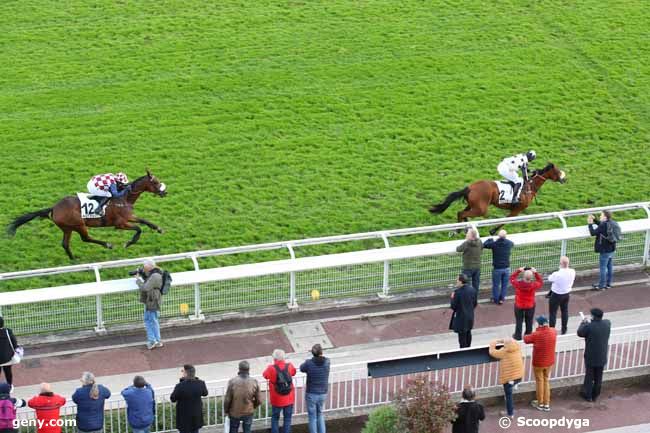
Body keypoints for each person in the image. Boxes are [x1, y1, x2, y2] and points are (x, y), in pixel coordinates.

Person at [524, 316, 557, 412]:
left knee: (539, 382)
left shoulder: (536, 334)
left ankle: (540, 403)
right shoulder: (553, 331)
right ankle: (546, 403)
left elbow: (526, 339)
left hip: (538, 362)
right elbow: (553, 331)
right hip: (549, 361)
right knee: (546, 381)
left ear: (540, 324)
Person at [578, 308, 611, 402]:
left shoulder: (589, 326)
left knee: (589, 376)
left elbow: (580, 332)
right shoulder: (606, 324)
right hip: (602, 356)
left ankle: (588, 395)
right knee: (598, 377)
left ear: (593, 316)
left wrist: (584, 322)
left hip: (591, 356)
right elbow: (607, 321)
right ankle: (595, 395)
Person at [263, 349, 296, 433]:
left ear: (274, 358)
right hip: (289, 398)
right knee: (287, 419)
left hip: (277, 399)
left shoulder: (271, 368)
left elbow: (265, 375)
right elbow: (294, 372)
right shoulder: (289, 365)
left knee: (275, 419)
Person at [489, 338, 524, 418]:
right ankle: (515, 384)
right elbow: (510, 341)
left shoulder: (504, 352)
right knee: (513, 385)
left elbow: (492, 352)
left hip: (509, 378)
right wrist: (501, 340)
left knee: (509, 396)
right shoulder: (517, 348)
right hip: (519, 376)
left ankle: (510, 413)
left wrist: (493, 343)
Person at [300, 344, 330, 433]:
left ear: (312, 353)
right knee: (320, 414)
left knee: (312, 417)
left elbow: (302, 368)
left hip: (311, 393)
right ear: (322, 352)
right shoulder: (327, 362)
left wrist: (308, 361)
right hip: (323, 392)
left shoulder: (309, 363)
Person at [224, 361, 261, 433]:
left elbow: (227, 399)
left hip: (234, 412)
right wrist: (253, 406)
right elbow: (259, 400)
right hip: (248, 411)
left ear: (239, 369)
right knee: (247, 430)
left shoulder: (232, 381)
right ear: (249, 369)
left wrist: (226, 411)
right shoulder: (254, 382)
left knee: (233, 429)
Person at [170, 365, 209, 433]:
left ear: (185, 373)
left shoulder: (180, 386)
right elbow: (205, 393)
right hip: (196, 416)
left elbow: (173, 398)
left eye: (183, 371)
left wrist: (181, 382)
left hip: (184, 418)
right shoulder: (201, 383)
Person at [136, 259, 163, 350]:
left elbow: (145, 288)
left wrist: (138, 280)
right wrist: (142, 274)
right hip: (154, 299)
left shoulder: (154, 275)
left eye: (144, 266)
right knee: (153, 319)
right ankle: (157, 341)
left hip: (152, 299)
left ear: (149, 266)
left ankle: (152, 341)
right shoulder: (155, 273)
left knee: (149, 320)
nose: (143, 268)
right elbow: (149, 282)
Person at [510, 267, 543, 340]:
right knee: (529, 321)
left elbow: (512, 278)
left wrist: (518, 270)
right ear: (531, 278)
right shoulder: (533, 285)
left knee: (519, 321)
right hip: (530, 305)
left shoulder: (518, 284)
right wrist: (535, 273)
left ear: (523, 276)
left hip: (519, 305)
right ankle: (528, 336)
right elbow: (540, 282)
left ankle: (518, 336)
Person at [588, 211, 618, 290]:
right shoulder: (612, 222)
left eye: (601, 215)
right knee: (609, 266)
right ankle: (608, 284)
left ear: (605, 217)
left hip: (605, 250)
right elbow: (601, 226)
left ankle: (601, 286)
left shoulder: (603, 225)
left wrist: (590, 224)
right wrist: (595, 220)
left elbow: (593, 233)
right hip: (612, 248)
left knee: (603, 268)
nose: (600, 217)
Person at [483, 230, 514, 304]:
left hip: (497, 268)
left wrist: (490, 238)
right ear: (505, 236)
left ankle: (495, 299)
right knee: (504, 285)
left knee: (496, 285)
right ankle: (502, 299)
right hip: (506, 268)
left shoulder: (495, 244)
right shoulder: (509, 243)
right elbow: (512, 243)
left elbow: (485, 245)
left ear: (498, 236)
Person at [547, 256, 576, 335]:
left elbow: (549, 278)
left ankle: (552, 331)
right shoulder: (572, 271)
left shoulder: (557, 274)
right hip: (566, 294)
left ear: (560, 263)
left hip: (556, 295)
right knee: (565, 311)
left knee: (553, 313)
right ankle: (564, 329)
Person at [450, 274, 478, 348]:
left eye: (457, 280)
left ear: (460, 281)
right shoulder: (472, 290)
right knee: (468, 332)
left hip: (461, 317)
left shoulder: (457, 292)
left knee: (462, 337)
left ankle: (463, 351)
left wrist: (452, 298)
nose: (456, 282)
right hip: (470, 316)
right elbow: (475, 303)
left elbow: (453, 306)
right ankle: (469, 348)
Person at [0, 318, 18, 390]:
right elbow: (14, 342)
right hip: (7, 357)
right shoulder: (8, 331)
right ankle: (9, 386)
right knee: (8, 372)